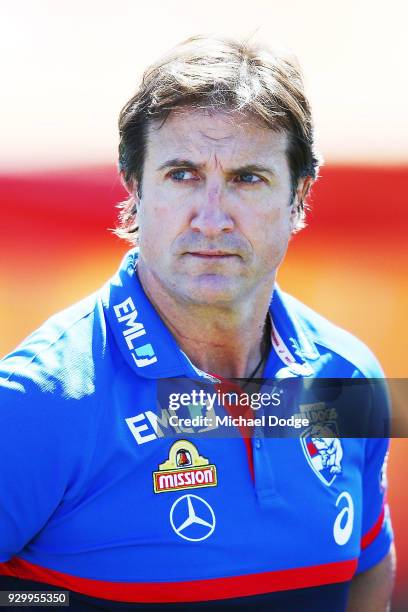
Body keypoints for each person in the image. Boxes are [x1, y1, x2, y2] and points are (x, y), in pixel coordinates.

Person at [0, 35, 394, 611]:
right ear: (135, 190)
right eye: (182, 174)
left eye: (247, 178)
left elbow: (366, 569)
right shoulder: (39, 397)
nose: (211, 219)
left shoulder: (351, 373)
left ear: (299, 196)